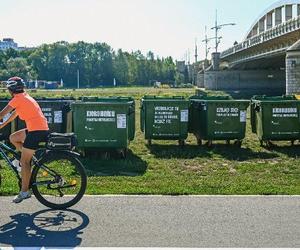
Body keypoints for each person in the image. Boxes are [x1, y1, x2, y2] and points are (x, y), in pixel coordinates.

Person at [0, 77, 49, 203]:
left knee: (25, 162)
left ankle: (24, 192)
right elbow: (13, 115)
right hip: (37, 129)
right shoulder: (24, 97)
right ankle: (26, 158)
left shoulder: (18, 99)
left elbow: (2, 114)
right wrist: (1, 126)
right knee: (13, 138)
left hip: (36, 131)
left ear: (11, 89)